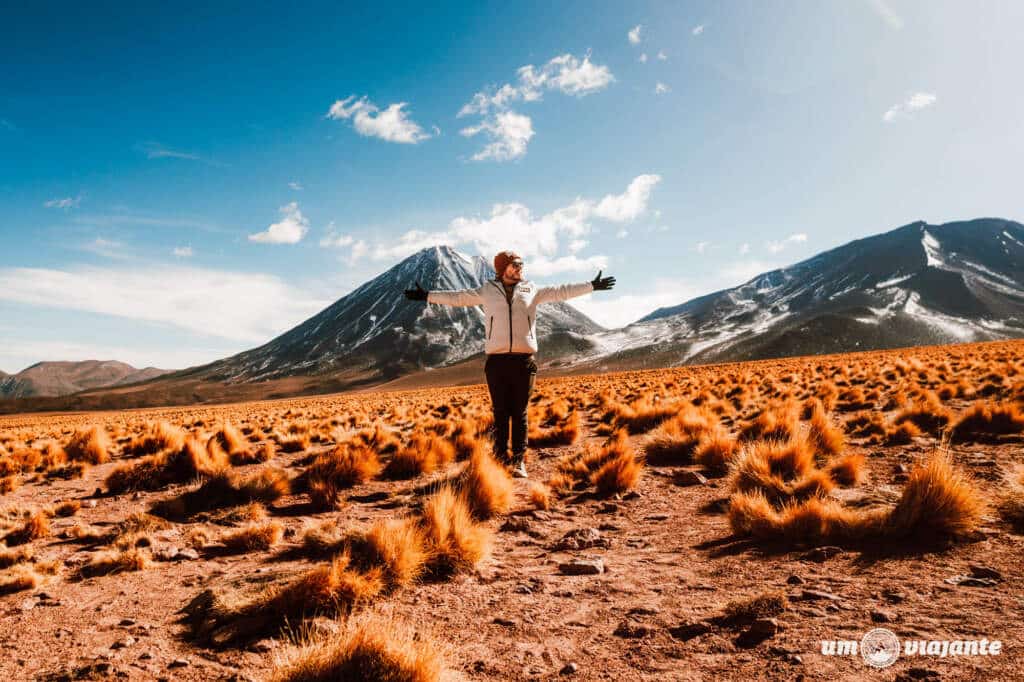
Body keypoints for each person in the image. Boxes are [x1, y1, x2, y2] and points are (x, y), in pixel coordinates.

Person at [404, 250, 615, 478]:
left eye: (521, 264)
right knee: (500, 413)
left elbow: (561, 292)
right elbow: (458, 298)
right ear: (502, 268)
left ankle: (518, 461)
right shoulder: (487, 290)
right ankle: (499, 456)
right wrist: (427, 296)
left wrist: (591, 285)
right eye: (515, 264)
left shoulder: (530, 289)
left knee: (519, 412)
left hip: (524, 361)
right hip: (496, 362)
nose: (519, 268)